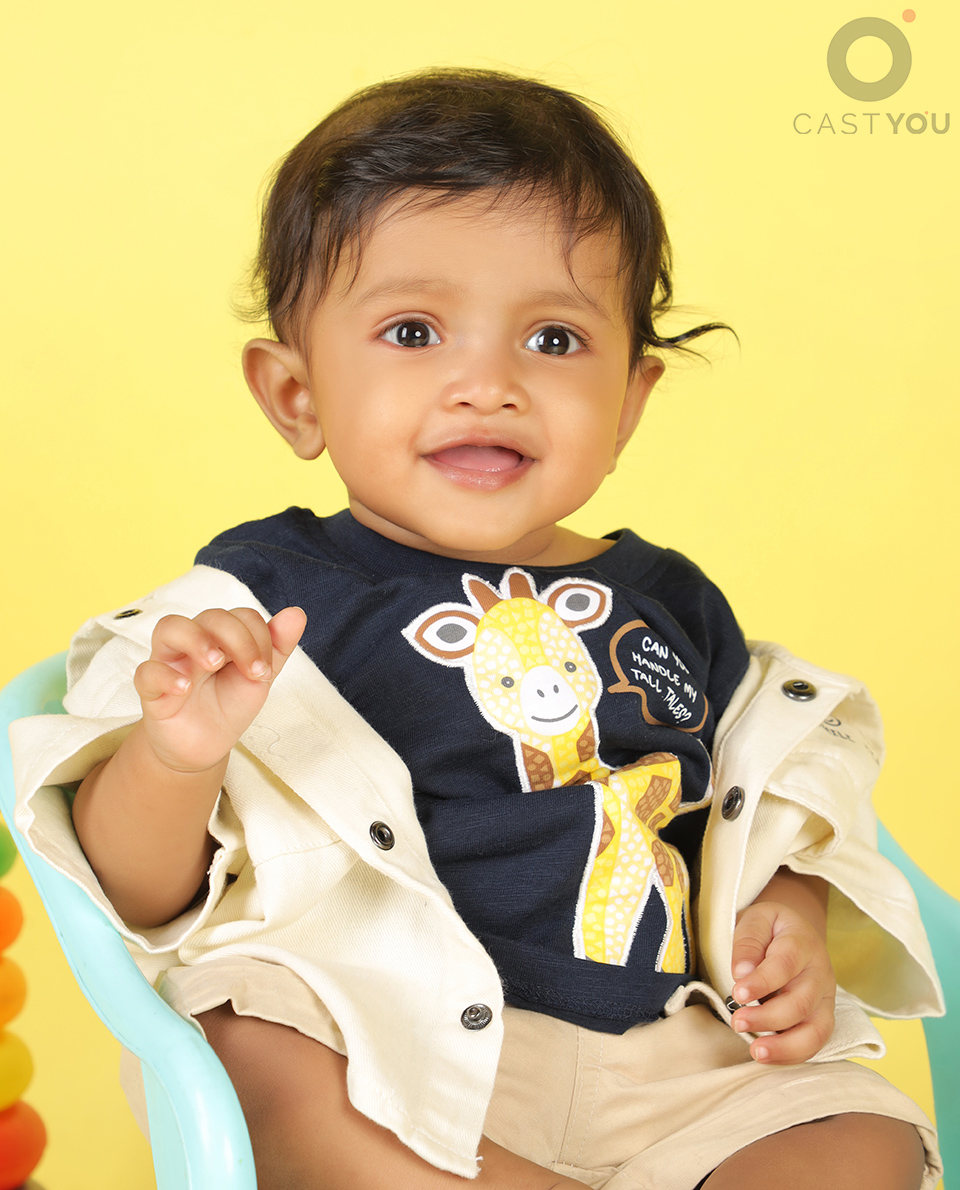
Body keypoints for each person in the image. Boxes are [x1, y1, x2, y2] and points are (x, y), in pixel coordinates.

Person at [12, 70, 942, 1190]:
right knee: (242, 1045)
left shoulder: (673, 603)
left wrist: (787, 911)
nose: (487, 383)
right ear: (296, 395)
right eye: (414, 331)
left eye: (553, 338)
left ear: (629, 402)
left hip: (670, 1059)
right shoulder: (254, 600)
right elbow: (133, 893)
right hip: (387, 1049)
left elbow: (758, 810)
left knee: (865, 1133)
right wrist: (175, 757)